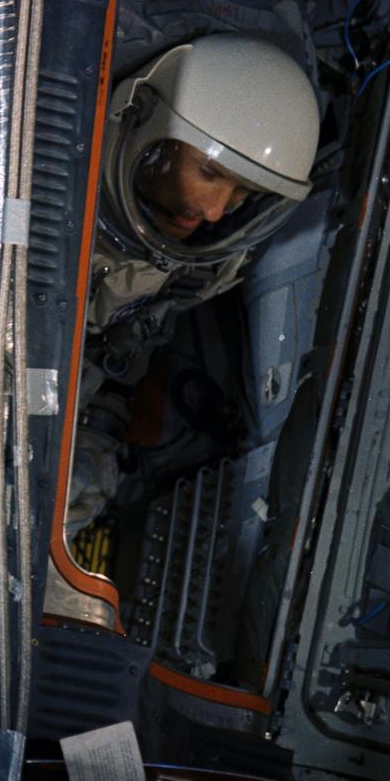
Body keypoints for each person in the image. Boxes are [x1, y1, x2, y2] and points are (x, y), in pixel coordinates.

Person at [65, 35, 320, 537]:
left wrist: (92, 448)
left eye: (242, 192)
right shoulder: (36, 186)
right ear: (146, 122)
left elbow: (118, 365)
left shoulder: (196, 274)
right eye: (209, 173)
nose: (215, 211)